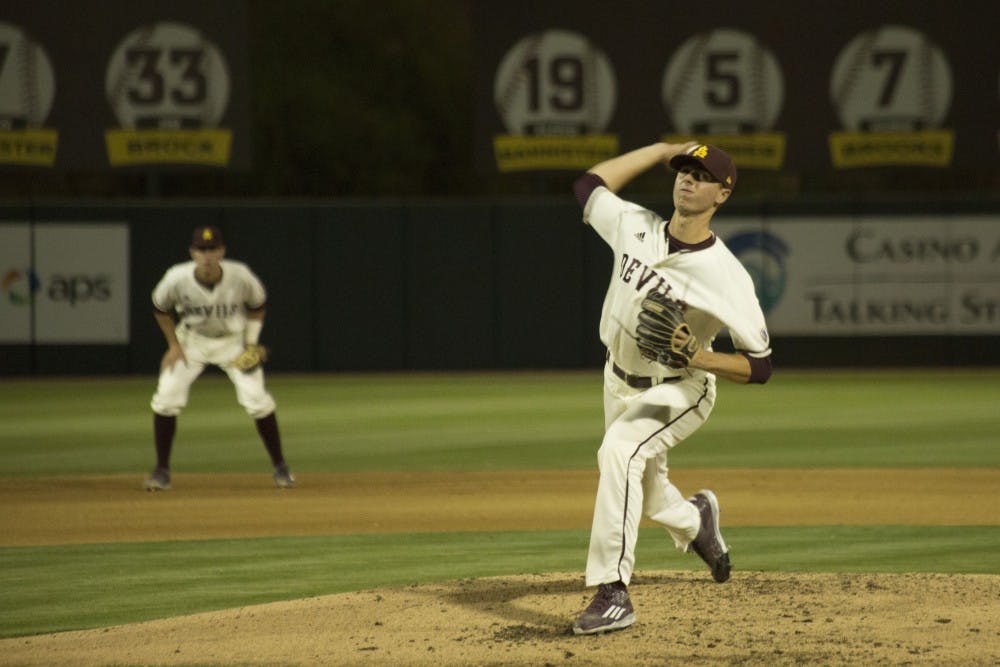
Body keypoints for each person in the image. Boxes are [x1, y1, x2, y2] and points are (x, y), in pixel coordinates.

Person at [570, 142, 772, 635]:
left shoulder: (726, 274)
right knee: (652, 495)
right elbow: (587, 186)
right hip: (615, 380)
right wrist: (660, 149)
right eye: (684, 169)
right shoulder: (634, 223)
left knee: (619, 452)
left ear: (722, 194)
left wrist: (699, 356)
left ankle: (613, 590)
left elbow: (761, 365)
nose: (687, 179)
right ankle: (697, 521)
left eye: (702, 175)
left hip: (680, 388)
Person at [144, 226, 295, 491]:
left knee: (258, 400)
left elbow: (258, 306)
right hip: (192, 342)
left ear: (222, 251)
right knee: (166, 397)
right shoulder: (176, 278)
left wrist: (251, 343)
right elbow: (160, 308)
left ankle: (281, 467)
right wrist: (173, 345)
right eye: (201, 250)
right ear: (192, 252)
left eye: (212, 249)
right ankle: (161, 470)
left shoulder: (240, 275)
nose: (207, 255)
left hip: (233, 342)